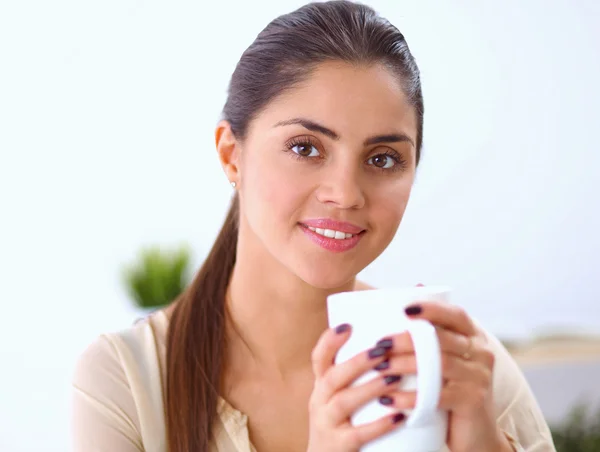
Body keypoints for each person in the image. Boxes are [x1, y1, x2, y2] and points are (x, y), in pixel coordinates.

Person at [71, 1, 556, 451]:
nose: (345, 193)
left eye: (383, 158)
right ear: (231, 154)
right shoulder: (127, 380)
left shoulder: (461, 370)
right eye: (305, 147)